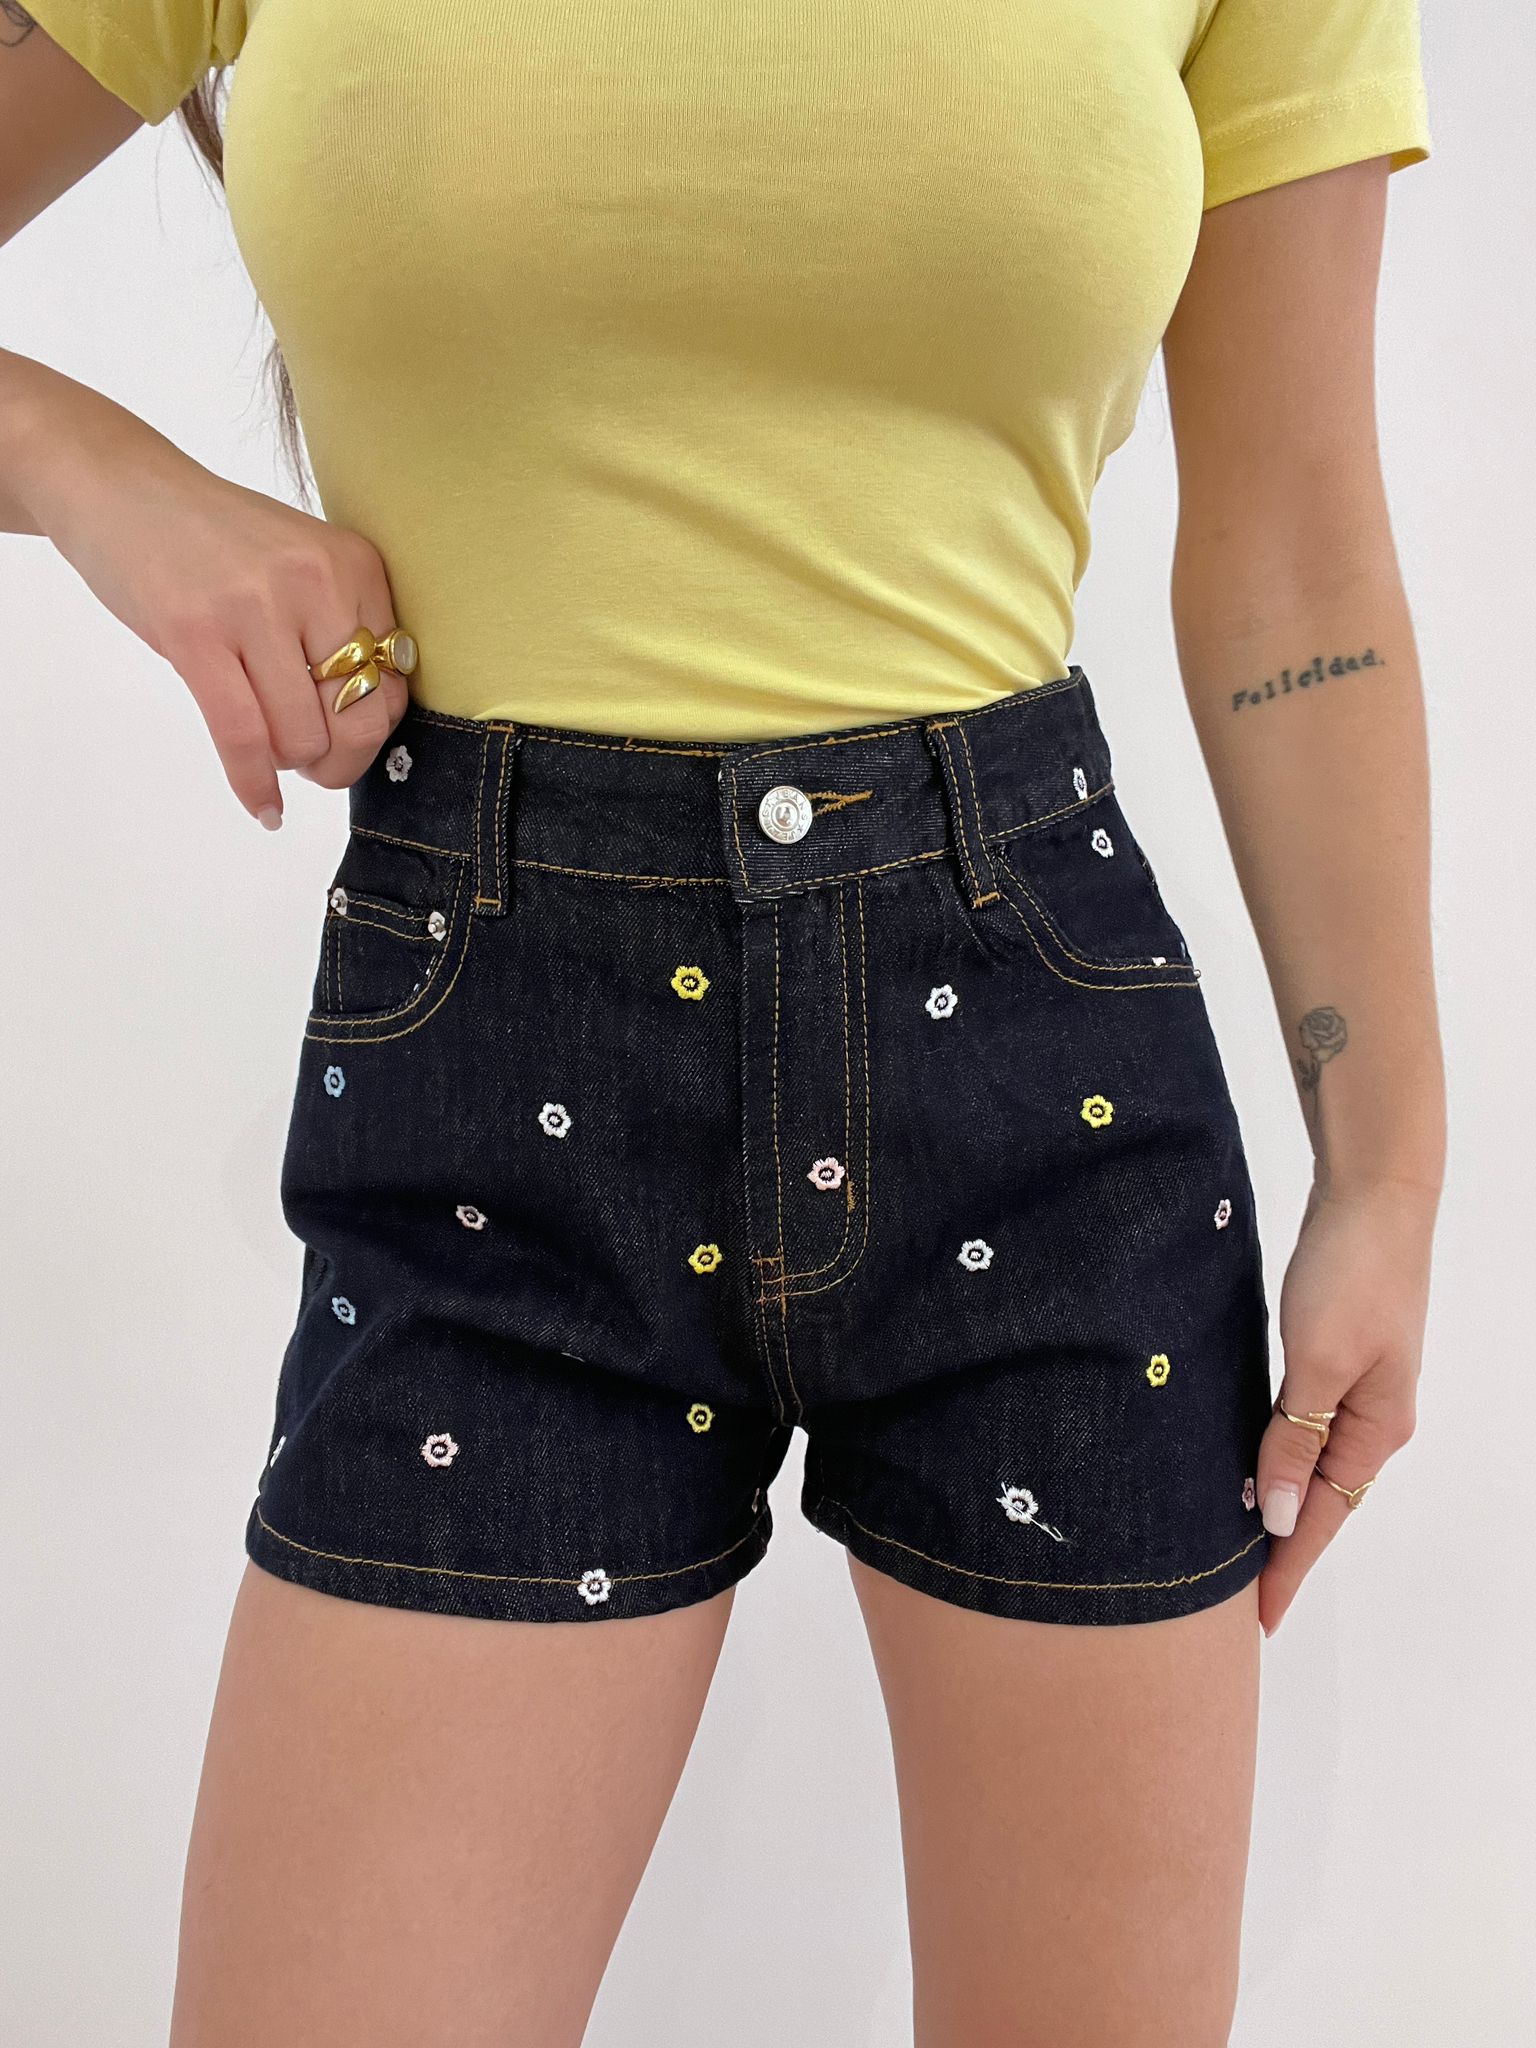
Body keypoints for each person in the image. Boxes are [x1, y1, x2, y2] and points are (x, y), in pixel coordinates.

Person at [1, 3, 1442, 2043]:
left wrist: (1390, 1168)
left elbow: (1298, 553)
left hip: (1035, 1080)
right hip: (494, 1083)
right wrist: (97, 474)